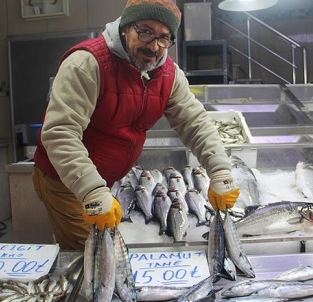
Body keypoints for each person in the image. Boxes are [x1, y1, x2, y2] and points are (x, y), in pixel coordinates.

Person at [32, 0, 240, 250]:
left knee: (106, 254)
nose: (154, 46)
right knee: (93, 257)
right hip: (67, 181)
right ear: (124, 28)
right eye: (145, 32)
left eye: (164, 38)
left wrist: (220, 170)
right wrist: (92, 190)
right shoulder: (87, 64)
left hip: (107, 180)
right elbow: (59, 133)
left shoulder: (168, 75)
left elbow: (195, 122)